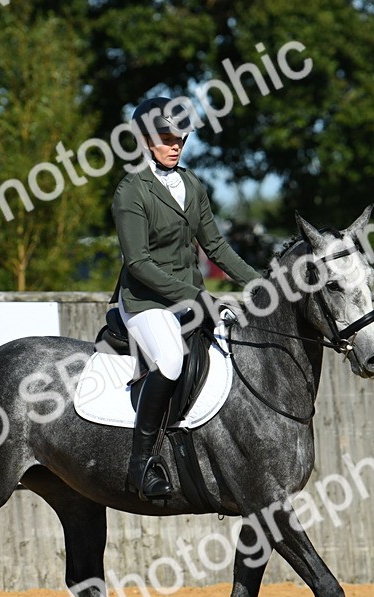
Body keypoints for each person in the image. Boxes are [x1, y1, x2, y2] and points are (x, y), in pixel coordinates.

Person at [112, 96, 265, 501]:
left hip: (189, 297)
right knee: (171, 360)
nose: (176, 143)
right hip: (145, 301)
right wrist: (198, 296)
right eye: (166, 137)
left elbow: (216, 247)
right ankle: (141, 465)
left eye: (181, 136)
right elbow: (139, 262)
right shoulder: (132, 191)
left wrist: (260, 281)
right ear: (146, 140)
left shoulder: (192, 184)